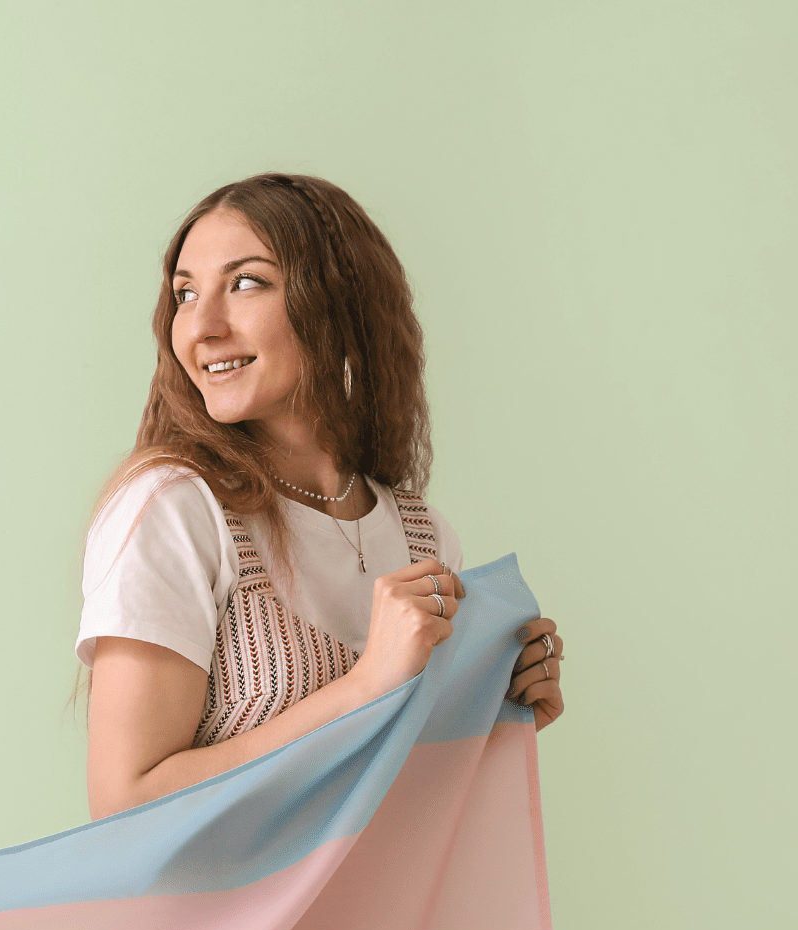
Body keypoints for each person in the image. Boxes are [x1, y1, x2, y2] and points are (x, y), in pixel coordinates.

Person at [80, 173, 563, 817]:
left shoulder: (425, 536)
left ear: (339, 304)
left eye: (246, 282)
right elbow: (124, 805)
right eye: (185, 294)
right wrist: (366, 687)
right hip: (222, 923)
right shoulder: (174, 509)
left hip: (367, 922)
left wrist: (497, 714)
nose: (202, 326)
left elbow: (394, 817)